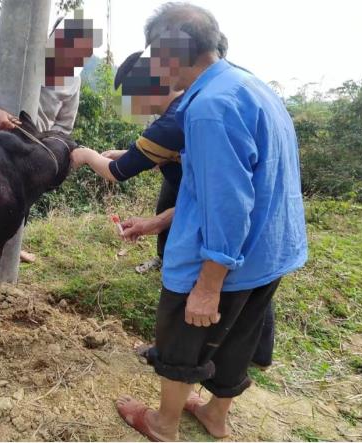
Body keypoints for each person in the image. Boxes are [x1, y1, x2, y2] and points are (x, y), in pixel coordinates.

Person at [109, 3, 307, 440]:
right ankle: (216, 414)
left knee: (183, 336)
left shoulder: (208, 109)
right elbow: (234, 187)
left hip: (225, 255)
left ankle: (163, 424)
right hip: (269, 249)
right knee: (239, 334)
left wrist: (208, 283)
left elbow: (229, 203)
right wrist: (159, 222)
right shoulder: (249, 85)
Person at [71, 34, 276, 371]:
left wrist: (86, 155)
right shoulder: (191, 106)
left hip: (217, 217)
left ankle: (180, 357)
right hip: (242, 212)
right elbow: (167, 155)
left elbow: (116, 173)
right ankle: (256, 354)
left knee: (211, 286)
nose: (133, 106)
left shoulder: (171, 121)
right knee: (250, 285)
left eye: (132, 97)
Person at [0, 13, 100, 262]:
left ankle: (11, 252)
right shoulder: (18, 57)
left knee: (20, 204)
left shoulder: (73, 79)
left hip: (32, 153)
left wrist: (49, 152)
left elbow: (64, 125)